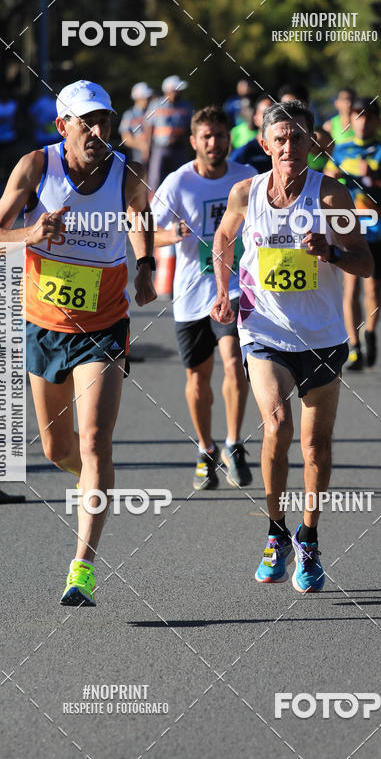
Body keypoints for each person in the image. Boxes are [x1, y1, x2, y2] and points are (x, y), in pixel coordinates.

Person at [0, 79, 157, 606]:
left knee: (95, 441)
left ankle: (82, 566)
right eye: (88, 122)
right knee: (59, 451)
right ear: (63, 126)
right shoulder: (36, 167)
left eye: (106, 120)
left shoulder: (126, 172)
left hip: (103, 326)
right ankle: (94, 485)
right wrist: (28, 236)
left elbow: (139, 215)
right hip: (44, 324)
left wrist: (144, 266)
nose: (100, 131)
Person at [211, 101, 373, 592]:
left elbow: (364, 264)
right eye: (279, 139)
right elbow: (221, 241)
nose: (288, 147)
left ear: (313, 143)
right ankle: (275, 532)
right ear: (265, 144)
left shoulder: (332, 197)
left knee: (316, 445)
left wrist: (332, 252)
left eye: (297, 138)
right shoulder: (245, 193)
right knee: (276, 425)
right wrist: (222, 290)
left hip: (322, 335)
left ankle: (309, 537)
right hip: (263, 329)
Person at [152, 106, 256, 490]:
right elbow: (145, 228)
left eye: (221, 135)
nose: (214, 143)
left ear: (231, 138)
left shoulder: (246, 178)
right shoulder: (179, 183)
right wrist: (172, 234)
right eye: (206, 137)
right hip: (191, 294)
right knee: (198, 377)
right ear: (194, 141)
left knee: (234, 363)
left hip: (233, 289)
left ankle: (233, 443)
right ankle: (205, 448)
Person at [324, 96, 381, 370]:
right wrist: (331, 180)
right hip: (348, 225)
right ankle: (354, 346)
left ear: (376, 120)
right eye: (358, 115)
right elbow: (326, 179)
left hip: (377, 226)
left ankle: (370, 332)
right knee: (350, 287)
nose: (363, 121)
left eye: (369, 116)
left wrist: (378, 177)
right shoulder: (342, 150)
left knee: (372, 288)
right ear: (351, 118)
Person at [145, 75, 193, 191]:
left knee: (182, 178)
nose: (179, 93)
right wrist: (147, 148)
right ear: (169, 90)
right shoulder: (155, 105)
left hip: (179, 148)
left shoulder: (187, 106)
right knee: (155, 180)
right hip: (159, 148)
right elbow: (149, 127)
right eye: (176, 90)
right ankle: (153, 207)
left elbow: (191, 127)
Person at [230, 95, 273, 173]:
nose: (270, 118)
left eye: (274, 113)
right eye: (265, 113)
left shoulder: (288, 151)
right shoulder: (242, 155)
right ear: (255, 119)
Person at [119, 82, 154, 165]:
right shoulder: (129, 115)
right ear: (137, 98)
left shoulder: (154, 112)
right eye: (145, 97)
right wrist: (143, 147)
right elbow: (126, 138)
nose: (148, 100)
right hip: (136, 155)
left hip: (156, 152)